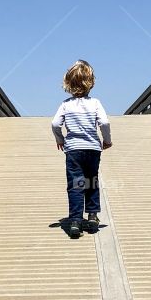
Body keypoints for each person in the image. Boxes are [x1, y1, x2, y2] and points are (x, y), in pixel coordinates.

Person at [51, 60, 112, 239]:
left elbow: (55, 124)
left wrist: (60, 139)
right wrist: (107, 140)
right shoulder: (95, 103)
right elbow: (104, 123)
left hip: (73, 151)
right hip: (92, 149)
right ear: (91, 83)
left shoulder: (65, 105)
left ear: (68, 83)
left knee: (76, 184)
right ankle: (92, 216)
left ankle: (76, 221)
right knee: (91, 181)